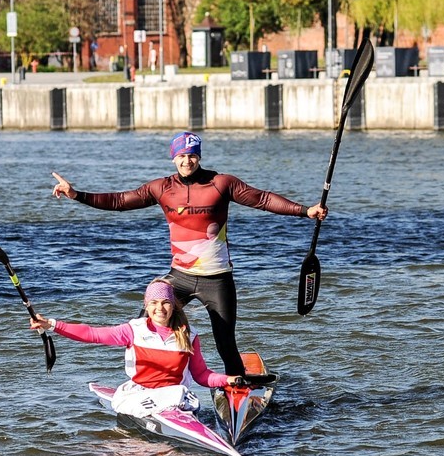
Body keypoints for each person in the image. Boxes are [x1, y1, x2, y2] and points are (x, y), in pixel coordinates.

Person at [50, 132, 327, 376]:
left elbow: (263, 199)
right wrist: (77, 194)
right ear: (173, 158)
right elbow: (120, 201)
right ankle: (147, 380)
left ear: (199, 156)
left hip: (216, 279)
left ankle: (236, 387)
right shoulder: (161, 188)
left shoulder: (222, 183)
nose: (187, 161)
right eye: (181, 156)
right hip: (179, 278)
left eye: (192, 155)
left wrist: (305, 210)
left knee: (225, 342)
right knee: (144, 324)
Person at [29, 279, 240, 418]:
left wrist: (228, 380)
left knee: (178, 393)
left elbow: (202, 375)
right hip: (141, 395)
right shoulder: (133, 330)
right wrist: (53, 324)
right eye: (154, 303)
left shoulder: (189, 335)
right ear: (146, 306)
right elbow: (92, 334)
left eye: (166, 302)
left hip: (176, 397)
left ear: (173, 306)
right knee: (176, 394)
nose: (160, 308)